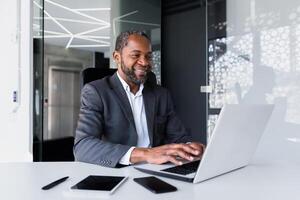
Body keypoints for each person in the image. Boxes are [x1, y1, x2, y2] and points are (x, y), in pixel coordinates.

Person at [74, 30, 205, 168]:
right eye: (135, 55)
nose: (144, 62)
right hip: (118, 170)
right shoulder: (96, 92)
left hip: (157, 170)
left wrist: (191, 148)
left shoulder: (161, 94)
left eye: (148, 56)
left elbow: (179, 137)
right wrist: (146, 154)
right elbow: (83, 147)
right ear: (117, 57)